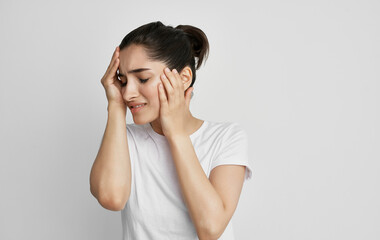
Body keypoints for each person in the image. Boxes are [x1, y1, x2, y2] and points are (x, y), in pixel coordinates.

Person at [90, 21, 253, 240]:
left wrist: (175, 132)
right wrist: (115, 107)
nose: (128, 93)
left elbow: (211, 228)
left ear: (183, 78)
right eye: (123, 80)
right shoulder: (125, 139)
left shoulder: (226, 138)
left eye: (143, 79)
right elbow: (111, 198)